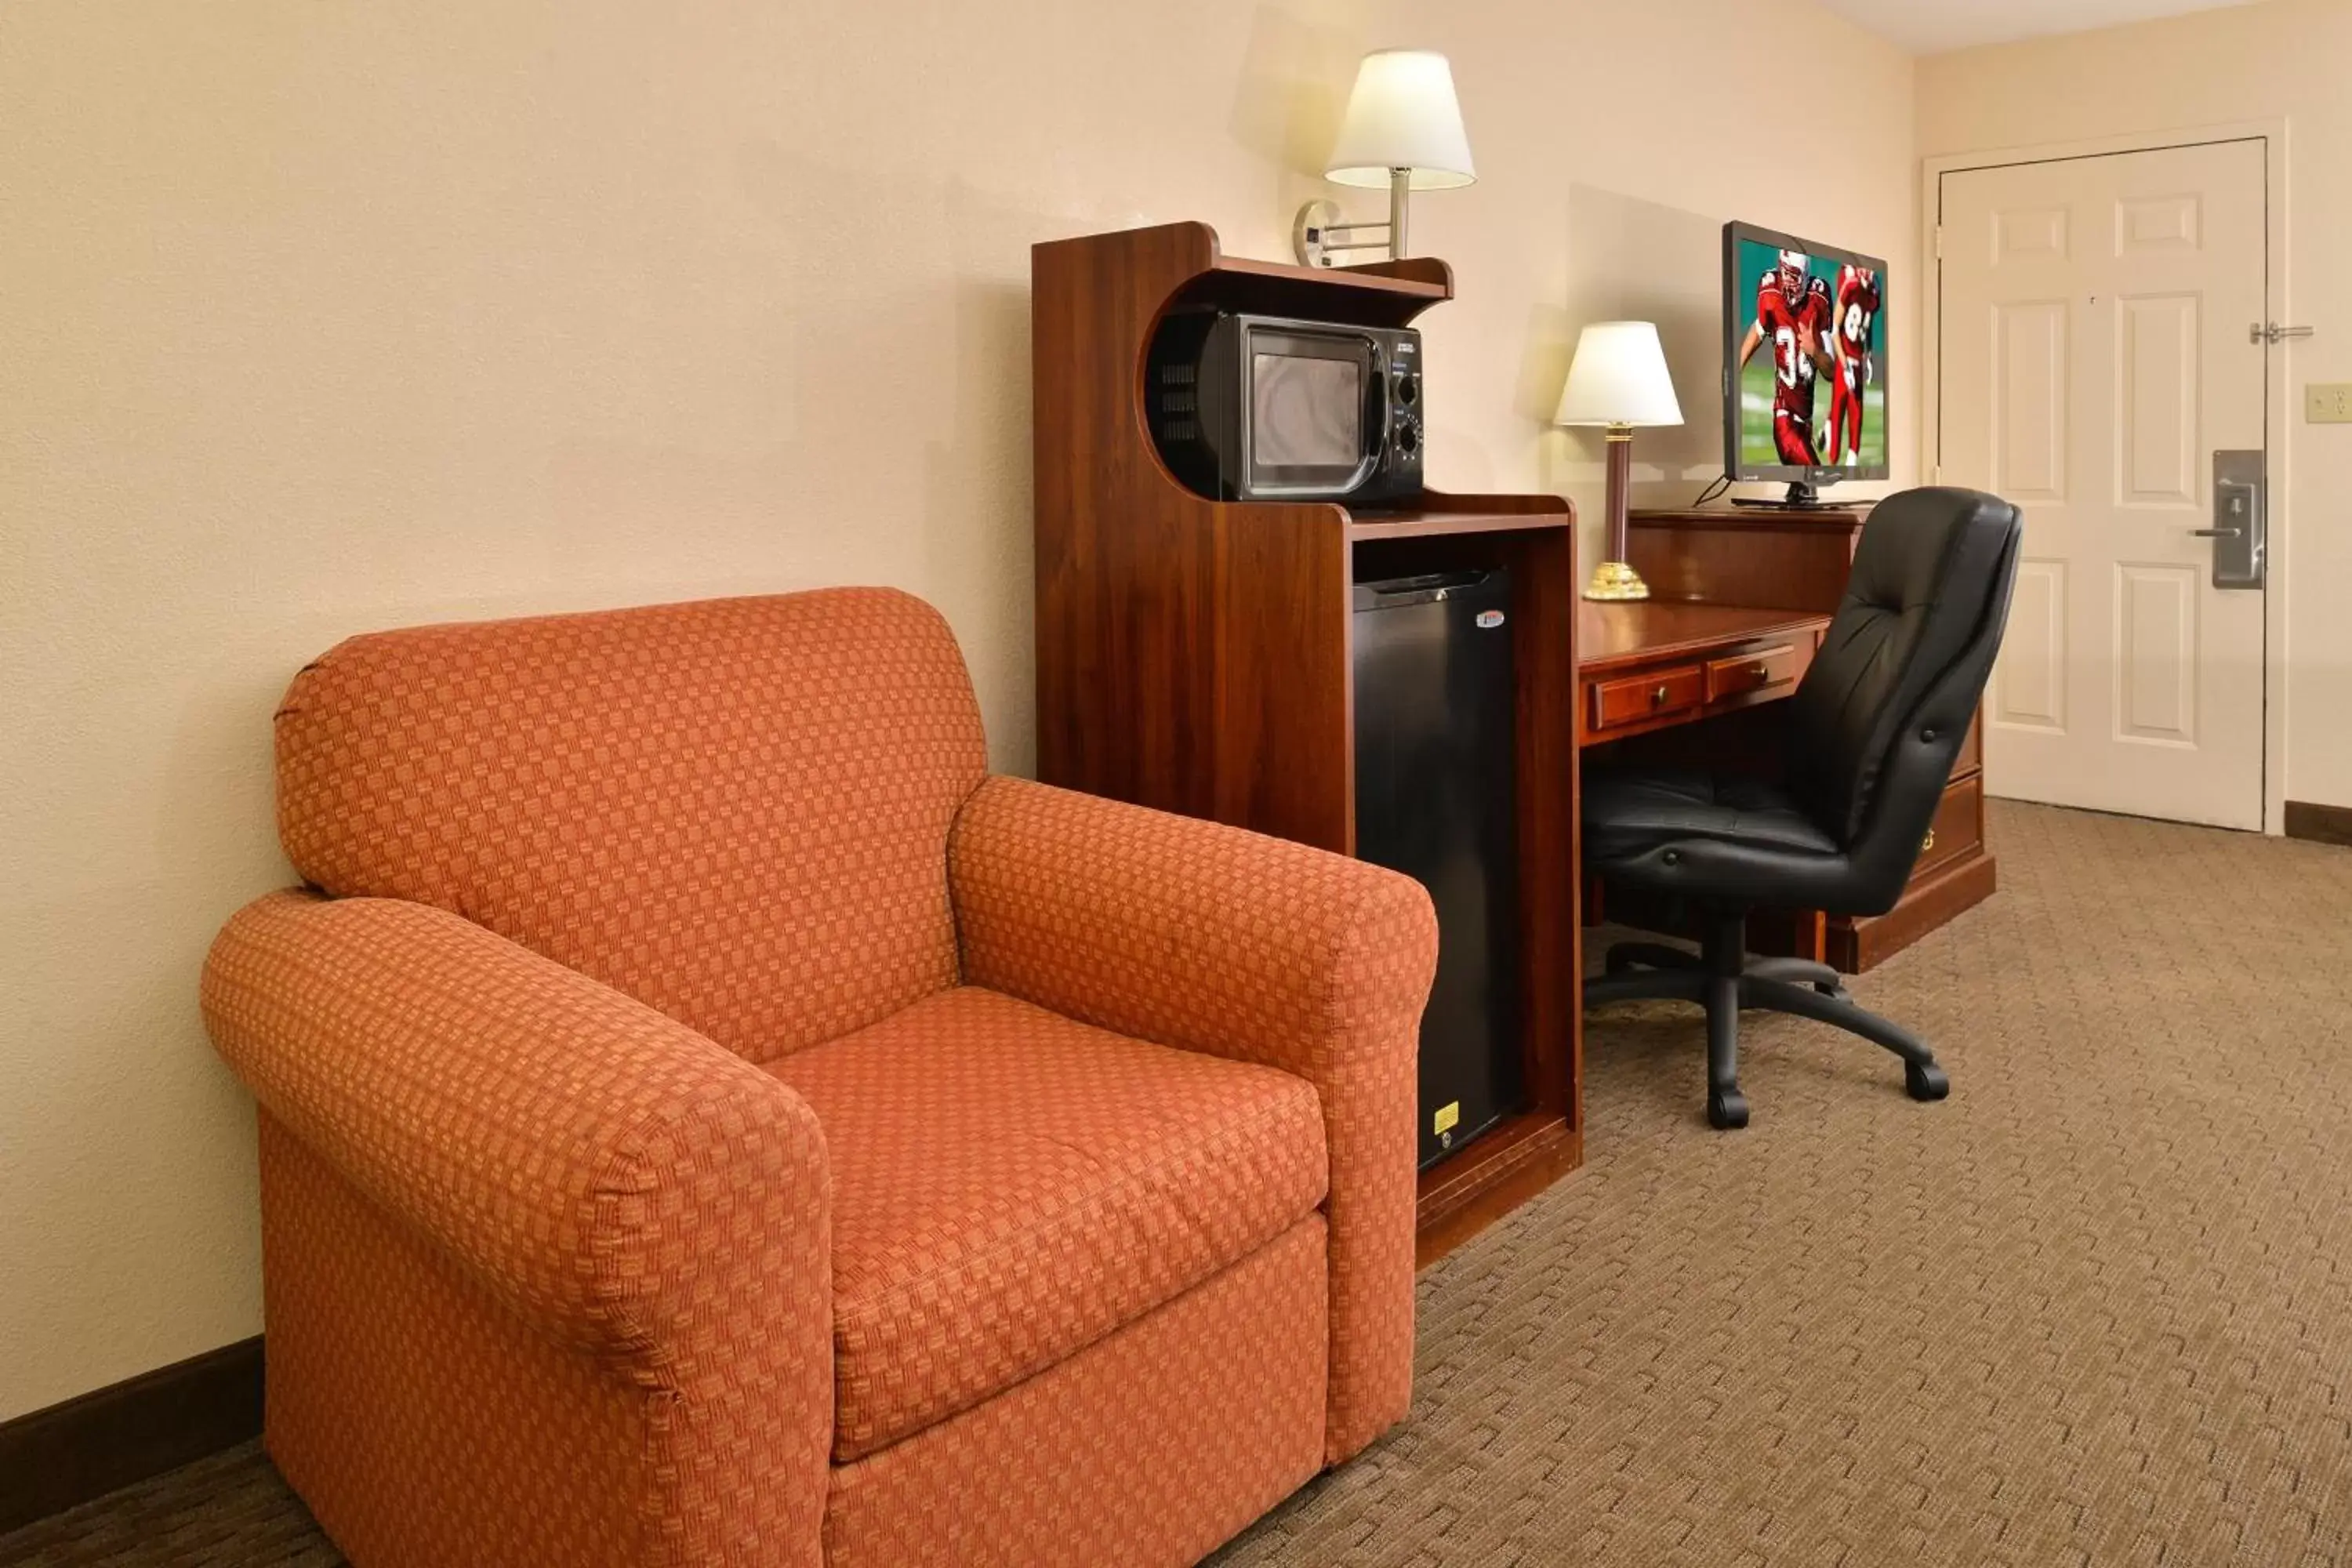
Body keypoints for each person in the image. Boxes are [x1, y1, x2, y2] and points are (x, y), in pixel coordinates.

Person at [1736, 249, 1836, 466]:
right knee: (1815, 478)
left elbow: (1831, 372)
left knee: (1804, 492)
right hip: (1785, 421)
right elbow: (1759, 328)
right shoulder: (1770, 291)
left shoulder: (1817, 298)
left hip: (1805, 424)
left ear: (1805, 275)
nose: (1787, 282)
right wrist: (1736, 369)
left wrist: (1814, 351)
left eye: (1793, 275)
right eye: (1784, 274)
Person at [1827, 263, 1881, 465]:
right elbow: (1834, 329)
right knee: (1839, 410)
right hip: (1846, 358)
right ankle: (1832, 459)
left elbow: (1867, 328)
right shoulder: (1851, 286)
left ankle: (1851, 465)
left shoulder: (1873, 294)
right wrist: (1844, 363)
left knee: (1857, 416)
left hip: (1858, 360)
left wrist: (1869, 356)